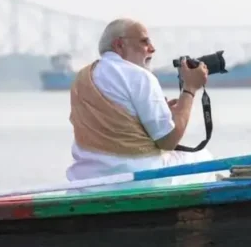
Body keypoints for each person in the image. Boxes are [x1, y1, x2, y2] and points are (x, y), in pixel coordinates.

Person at [65, 18, 223, 190]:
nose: (152, 48)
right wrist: (190, 88)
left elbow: (116, 125)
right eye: (144, 41)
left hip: (88, 181)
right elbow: (167, 141)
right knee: (203, 158)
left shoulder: (82, 77)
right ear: (119, 45)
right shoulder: (140, 76)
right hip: (138, 180)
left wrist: (165, 113)